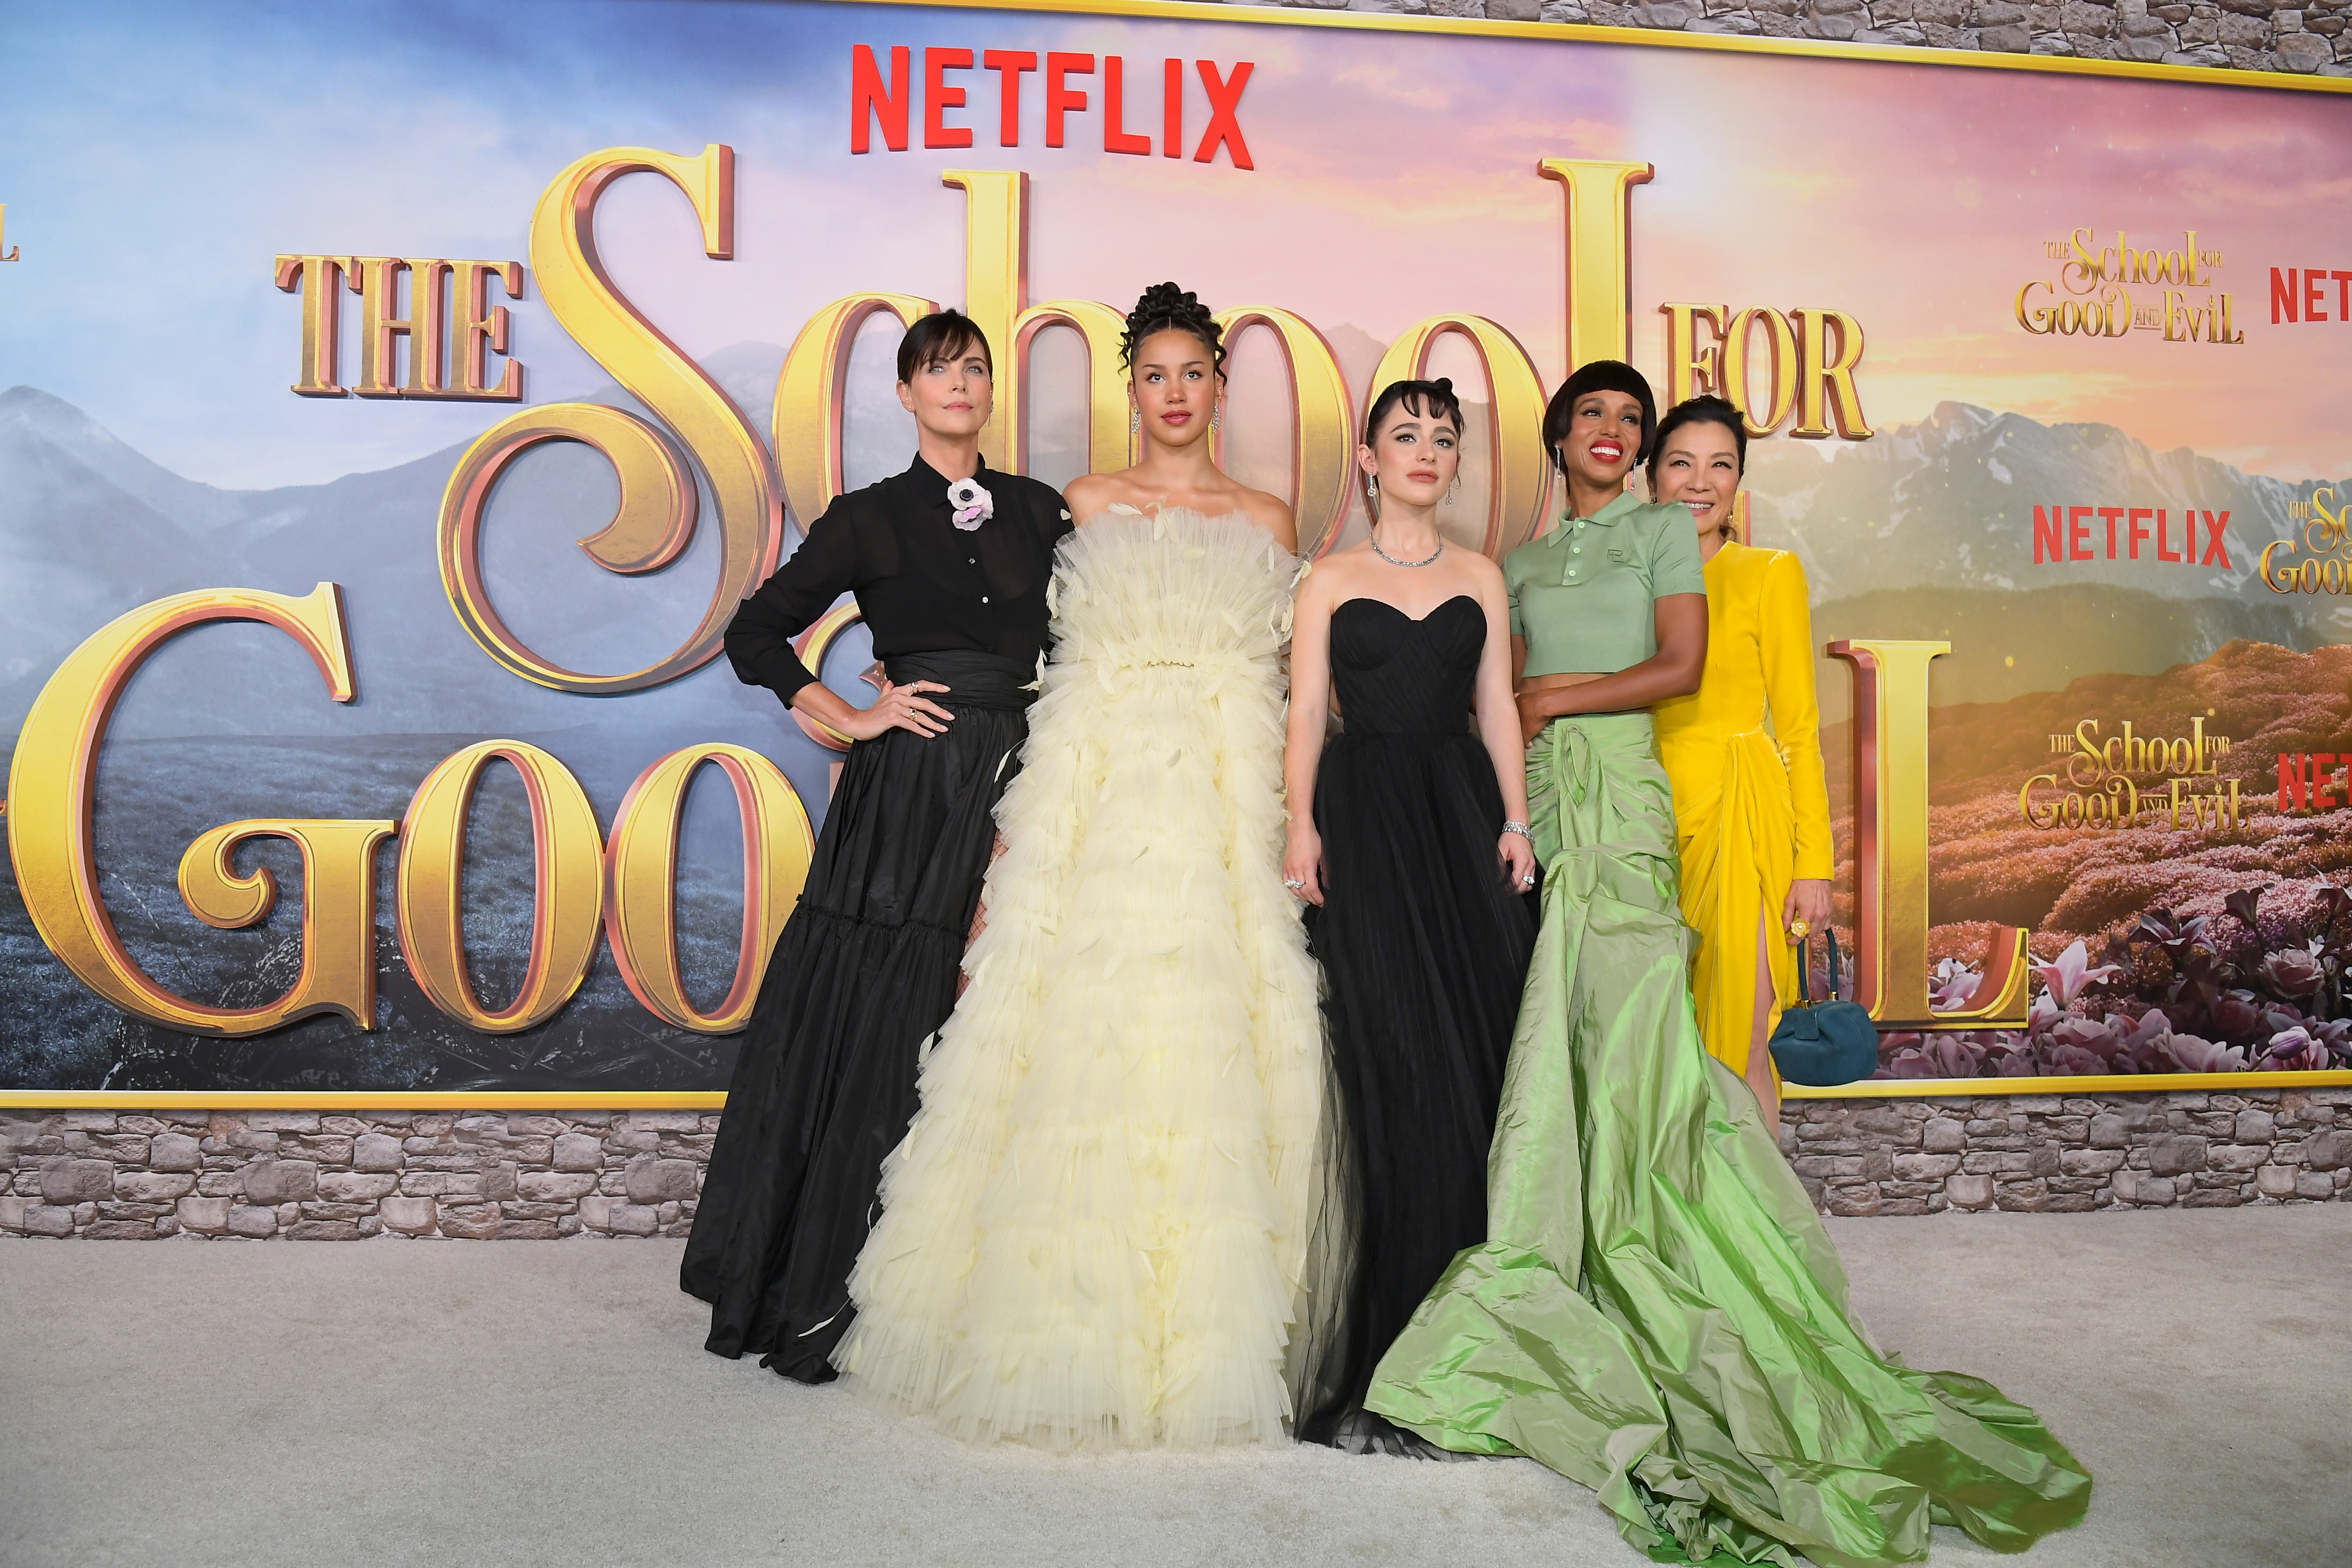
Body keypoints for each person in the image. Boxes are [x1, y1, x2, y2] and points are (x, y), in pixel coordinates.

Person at [1364, 362, 2092, 1565]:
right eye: (1607, 423)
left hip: (1664, 800)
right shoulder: (1523, 564)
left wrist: (1804, 856)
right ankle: (1578, 1248)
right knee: (1566, 1035)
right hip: (1551, 799)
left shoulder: (1685, 547)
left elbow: (1718, 687)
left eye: (1650, 430)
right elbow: (1495, 690)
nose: (1640, 449)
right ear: (1561, 438)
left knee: (1682, 1044)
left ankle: (1712, 1261)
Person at [832, 283, 1326, 1450]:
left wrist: (1292, 813)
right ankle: (1066, 1319)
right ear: (1132, 390)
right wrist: (911, 679)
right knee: (1081, 1027)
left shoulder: (1267, 518)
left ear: (1220, 388)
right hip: (1101, 789)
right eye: (1153, 376)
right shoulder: (1086, 505)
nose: (1174, 394)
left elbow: (1290, 677)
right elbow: (1048, 659)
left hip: (1222, 791)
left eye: (1192, 374)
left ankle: (1213, 1333)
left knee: (1216, 1026)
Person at [679, 311, 1072, 1382]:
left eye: (975, 367)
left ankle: (971, 1285)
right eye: (938, 370)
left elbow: (1085, 640)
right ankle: (839, 1278)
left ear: (991, 390)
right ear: (905, 394)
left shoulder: (1043, 510)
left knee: (1000, 1003)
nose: (960, 383)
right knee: (894, 1006)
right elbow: (754, 632)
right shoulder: (868, 517)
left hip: (1029, 777)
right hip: (910, 789)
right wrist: (849, 715)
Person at [1278, 377, 1538, 1455]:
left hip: (1461, 816)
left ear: (1458, 461)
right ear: (1370, 460)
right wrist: (1300, 824)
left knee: (1477, 1057)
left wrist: (1516, 821)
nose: (1426, 451)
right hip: (1366, 817)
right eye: (1405, 435)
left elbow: (1498, 708)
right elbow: (1305, 711)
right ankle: (1394, 1348)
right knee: (1390, 1053)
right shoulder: (1331, 578)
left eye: (1443, 437)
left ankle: (1479, 1343)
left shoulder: (1481, 575)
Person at [1649, 395, 1832, 1128]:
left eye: (1720, 465)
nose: (1700, 482)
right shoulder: (1624, 579)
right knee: (1656, 1053)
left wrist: (1814, 864)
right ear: (1651, 476)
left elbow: (1800, 729)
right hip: (1642, 821)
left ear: (1738, 482)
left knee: (1743, 1049)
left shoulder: (1768, 573)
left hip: (1740, 820)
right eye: (1681, 463)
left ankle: (1752, 1201)